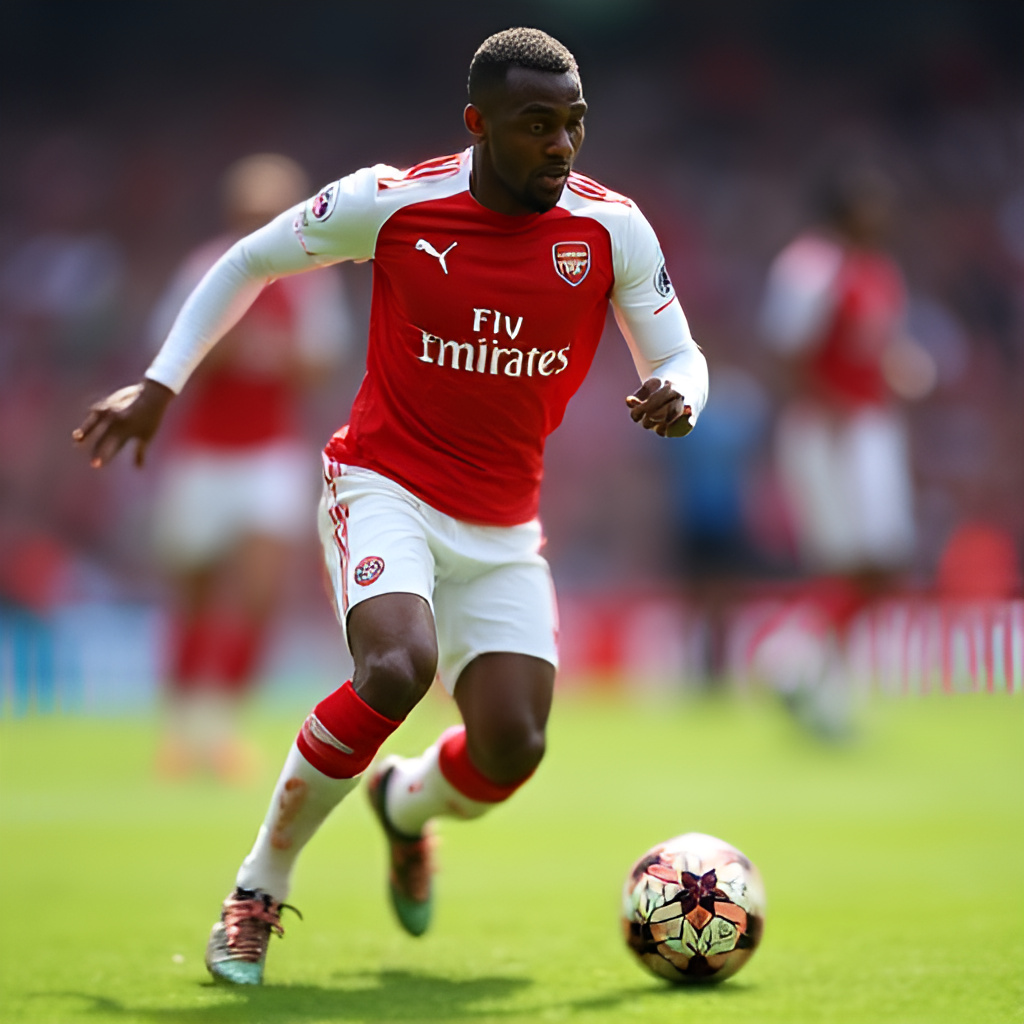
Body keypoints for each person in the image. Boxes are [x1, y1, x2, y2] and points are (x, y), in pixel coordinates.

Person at [73, 28, 708, 985]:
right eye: (538, 126)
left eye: (574, 125)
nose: (562, 146)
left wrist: (682, 395)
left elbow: (680, 354)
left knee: (513, 746)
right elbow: (246, 260)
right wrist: (161, 384)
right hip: (384, 487)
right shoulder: (395, 203)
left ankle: (405, 805)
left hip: (502, 526)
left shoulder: (612, 230)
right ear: (478, 124)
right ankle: (259, 887)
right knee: (397, 667)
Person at [145, 154, 349, 780]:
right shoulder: (203, 271)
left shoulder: (310, 280)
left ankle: (222, 723)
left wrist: (278, 356)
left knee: (259, 592)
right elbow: (169, 358)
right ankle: (182, 728)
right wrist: (228, 349)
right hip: (203, 455)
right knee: (196, 595)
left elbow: (323, 362)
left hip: (269, 453)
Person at [757, 164, 935, 732]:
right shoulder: (812, 265)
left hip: (870, 424)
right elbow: (785, 351)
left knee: (880, 564)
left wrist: (900, 369)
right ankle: (789, 657)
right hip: (831, 430)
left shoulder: (878, 269)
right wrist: (825, 411)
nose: (882, 213)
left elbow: (875, 347)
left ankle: (813, 677)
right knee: (852, 562)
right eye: (870, 201)